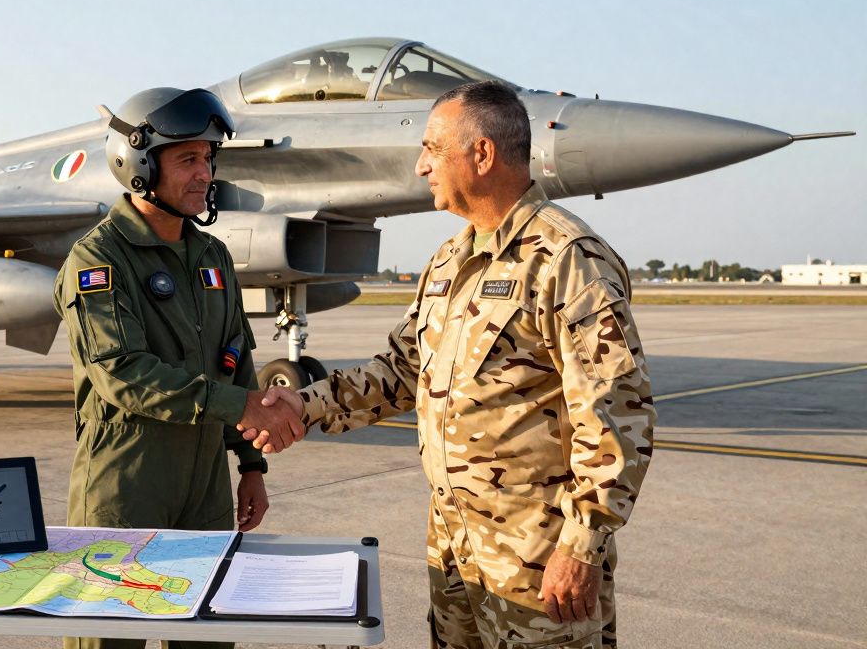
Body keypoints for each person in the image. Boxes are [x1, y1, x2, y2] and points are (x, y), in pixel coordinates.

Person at [248, 81, 655, 649]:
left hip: (538, 554)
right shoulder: (449, 262)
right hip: (455, 545)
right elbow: (400, 371)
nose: (422, 166)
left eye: (433, 149)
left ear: (481, 154)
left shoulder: (568, 260)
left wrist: (582, 546)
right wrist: (304, 403)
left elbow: (616, 415)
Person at [54, 87, 305, 649]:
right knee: (107, 640)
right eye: (188, 159)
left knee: (206, 637)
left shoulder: (212, 256)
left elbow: (235, 360)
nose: (204, 173)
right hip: (125, 491)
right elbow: (122, 371)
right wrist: (239, 407)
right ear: (140, 164)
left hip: (205, 494)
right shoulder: (99, 258)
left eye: (208, 158)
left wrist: (251, 465)